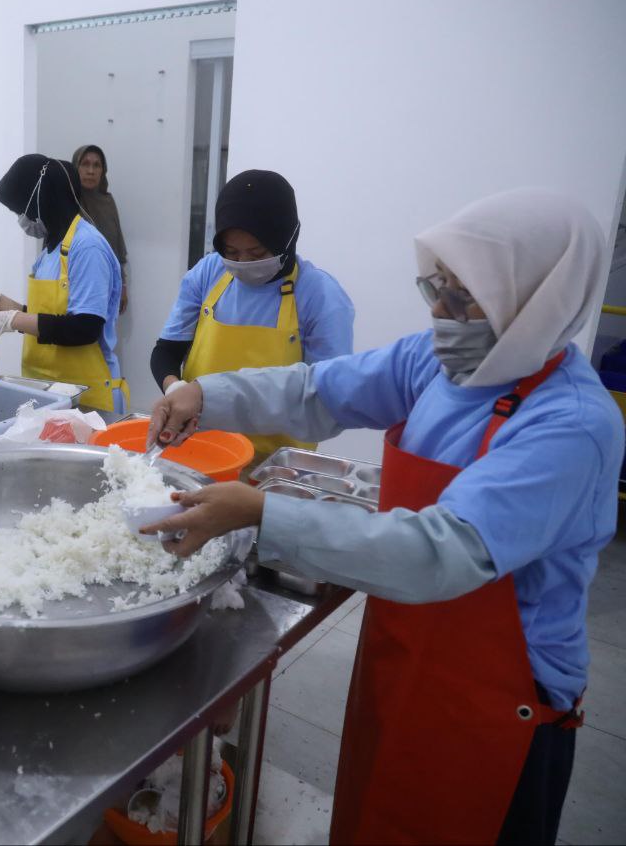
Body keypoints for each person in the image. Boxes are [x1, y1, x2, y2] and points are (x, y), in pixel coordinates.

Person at [143, 189, 619, 845]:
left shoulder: (570, 425)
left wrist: (264, 514)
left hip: (500, 699)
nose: (442, 313)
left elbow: (439, 552)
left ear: (537, 300)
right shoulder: (437, 361)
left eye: (465, 298)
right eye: (436, 288)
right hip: (405, 644)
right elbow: (318, 390)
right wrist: (204, 395)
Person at [151, 170, 353, 460]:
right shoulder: (208, 273)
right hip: (202, 448)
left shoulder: (320, 295)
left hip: (275, 463)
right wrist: (177, 389)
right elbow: (166, 351)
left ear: (287, 240)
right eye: (231, 252)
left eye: (256, 254)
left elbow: (327, 394)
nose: (242, 263)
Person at [0, 154, 127, 411]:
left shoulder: (87, 247)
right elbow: (44, 319)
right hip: (51, 391)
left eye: (21, 209)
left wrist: (10, 321)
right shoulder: (50, 251)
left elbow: (84, 327)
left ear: (43, 200)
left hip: (87, 397)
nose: (20, 217)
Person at [72, 145, 130, 313]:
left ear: (103, 171)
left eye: (97, 165)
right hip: (74, 283)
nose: (91, 171)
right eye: (85, 164)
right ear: (75, 167)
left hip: (106, 283)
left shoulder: (108, 203)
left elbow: (116, 247)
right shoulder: (68, 202)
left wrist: (122, 285)